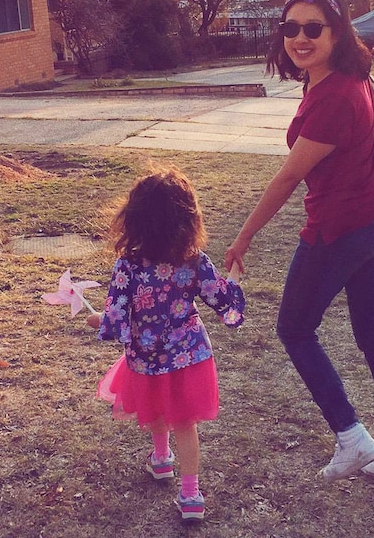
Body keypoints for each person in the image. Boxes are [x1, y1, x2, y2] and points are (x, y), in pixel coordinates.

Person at [224, 0, 374, 482]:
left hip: (341, 230)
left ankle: (353, 440)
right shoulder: (342, 78)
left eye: (313, 28)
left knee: (294, 329)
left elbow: (290, 175)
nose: (300, 37)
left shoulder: (334, 95)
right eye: (290, 27)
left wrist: (244, 236)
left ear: (337, 32)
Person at [88, 165, 245, 521]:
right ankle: (190, 494)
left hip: (147, 359)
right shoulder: (194, 261)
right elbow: (224, 301)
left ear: (134, 219)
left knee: (156, 408)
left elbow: (114, 315)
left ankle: (161, 458)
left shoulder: (128, 266)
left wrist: (96, 320)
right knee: (185, 423)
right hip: (189, 357)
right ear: (188, 219)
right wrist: (235, 276)